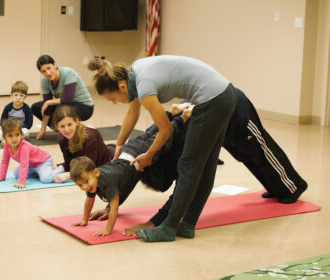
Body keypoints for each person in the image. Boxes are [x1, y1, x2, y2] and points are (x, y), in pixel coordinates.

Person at [90, 89, 308, 237]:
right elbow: (131, 172)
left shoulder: (172, 146)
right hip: (211, 119)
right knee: (244, 154)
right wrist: (111, 204)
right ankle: (276, 188)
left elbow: (185, 186)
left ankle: (294, 186)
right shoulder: (146, 151)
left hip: (232, 110)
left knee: (259, 148)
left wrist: (154, 222)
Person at [88, 55, 236, 242]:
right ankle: (188, 225)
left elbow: (165, 130)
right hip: (223, 94)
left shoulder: (144, 86)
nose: (116, 103)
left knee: (188, 166)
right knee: (205, 166)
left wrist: (149, 154)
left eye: (112, 99)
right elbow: (133, 112)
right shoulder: (132, 74)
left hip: (212, 100)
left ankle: (168, 227)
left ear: (122, 87)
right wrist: (119, 145)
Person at [68, 104, 192, 237]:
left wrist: (108, 230)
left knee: (162, 139)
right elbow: (89, 201)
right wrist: (84, 220)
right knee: (148, 134)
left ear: (96, 172)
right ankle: (171, 113)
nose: (85, 186)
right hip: (129, 150)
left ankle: (182, 118)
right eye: (80, 185)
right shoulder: (93, 179)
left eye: (86, 182)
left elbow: (114, 208)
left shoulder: (106, 182)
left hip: (139, 155)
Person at [32, 55, 94, 140]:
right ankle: (61, 128)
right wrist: (43, 128)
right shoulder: (45, 81)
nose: (48, 73)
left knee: (61, 108)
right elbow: (48, 108)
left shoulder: (68, 73)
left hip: (85, 107)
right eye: (44, 71)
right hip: (67, 106)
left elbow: (68, 99)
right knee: (36, 107)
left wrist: (48, 102)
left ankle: (79, 129)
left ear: (54, 64)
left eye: (49, 68)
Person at [0, 119, 64, 189]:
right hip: (31, 165)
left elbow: (24, 164)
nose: (14, 138)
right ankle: (39, 172)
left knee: (45, 179)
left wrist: (21, 182)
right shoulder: (7, 145)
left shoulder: (24, 147)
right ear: (4, 137)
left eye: (17, 135)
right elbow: (5, 161)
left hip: (43, 161)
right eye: (10, 136)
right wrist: (2, 176)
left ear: (21, 134)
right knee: (16, 174)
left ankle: (61, 168)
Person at [50, 105, 115, 183]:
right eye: (62, 126)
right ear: (57, 127)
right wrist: (58, 166)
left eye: (69, 124)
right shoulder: (61, 138)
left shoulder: (90, 137)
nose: (66, 130)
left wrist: (69, 175)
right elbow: (70, 164)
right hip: (89, 158)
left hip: (110, 161)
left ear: (77, 122)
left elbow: (90, 167)